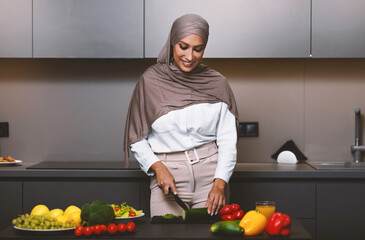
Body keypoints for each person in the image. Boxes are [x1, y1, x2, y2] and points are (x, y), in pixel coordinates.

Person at [124, 14, 239, 217]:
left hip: (211, 176)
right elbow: (137, 138)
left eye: (198, 49)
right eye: (183, 47)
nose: (189, 56)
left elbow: (228, 139)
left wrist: (220, 182)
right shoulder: (150, 82)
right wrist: (158, 168)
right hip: (168, 175)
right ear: (172, 44)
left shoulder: (217, 83)